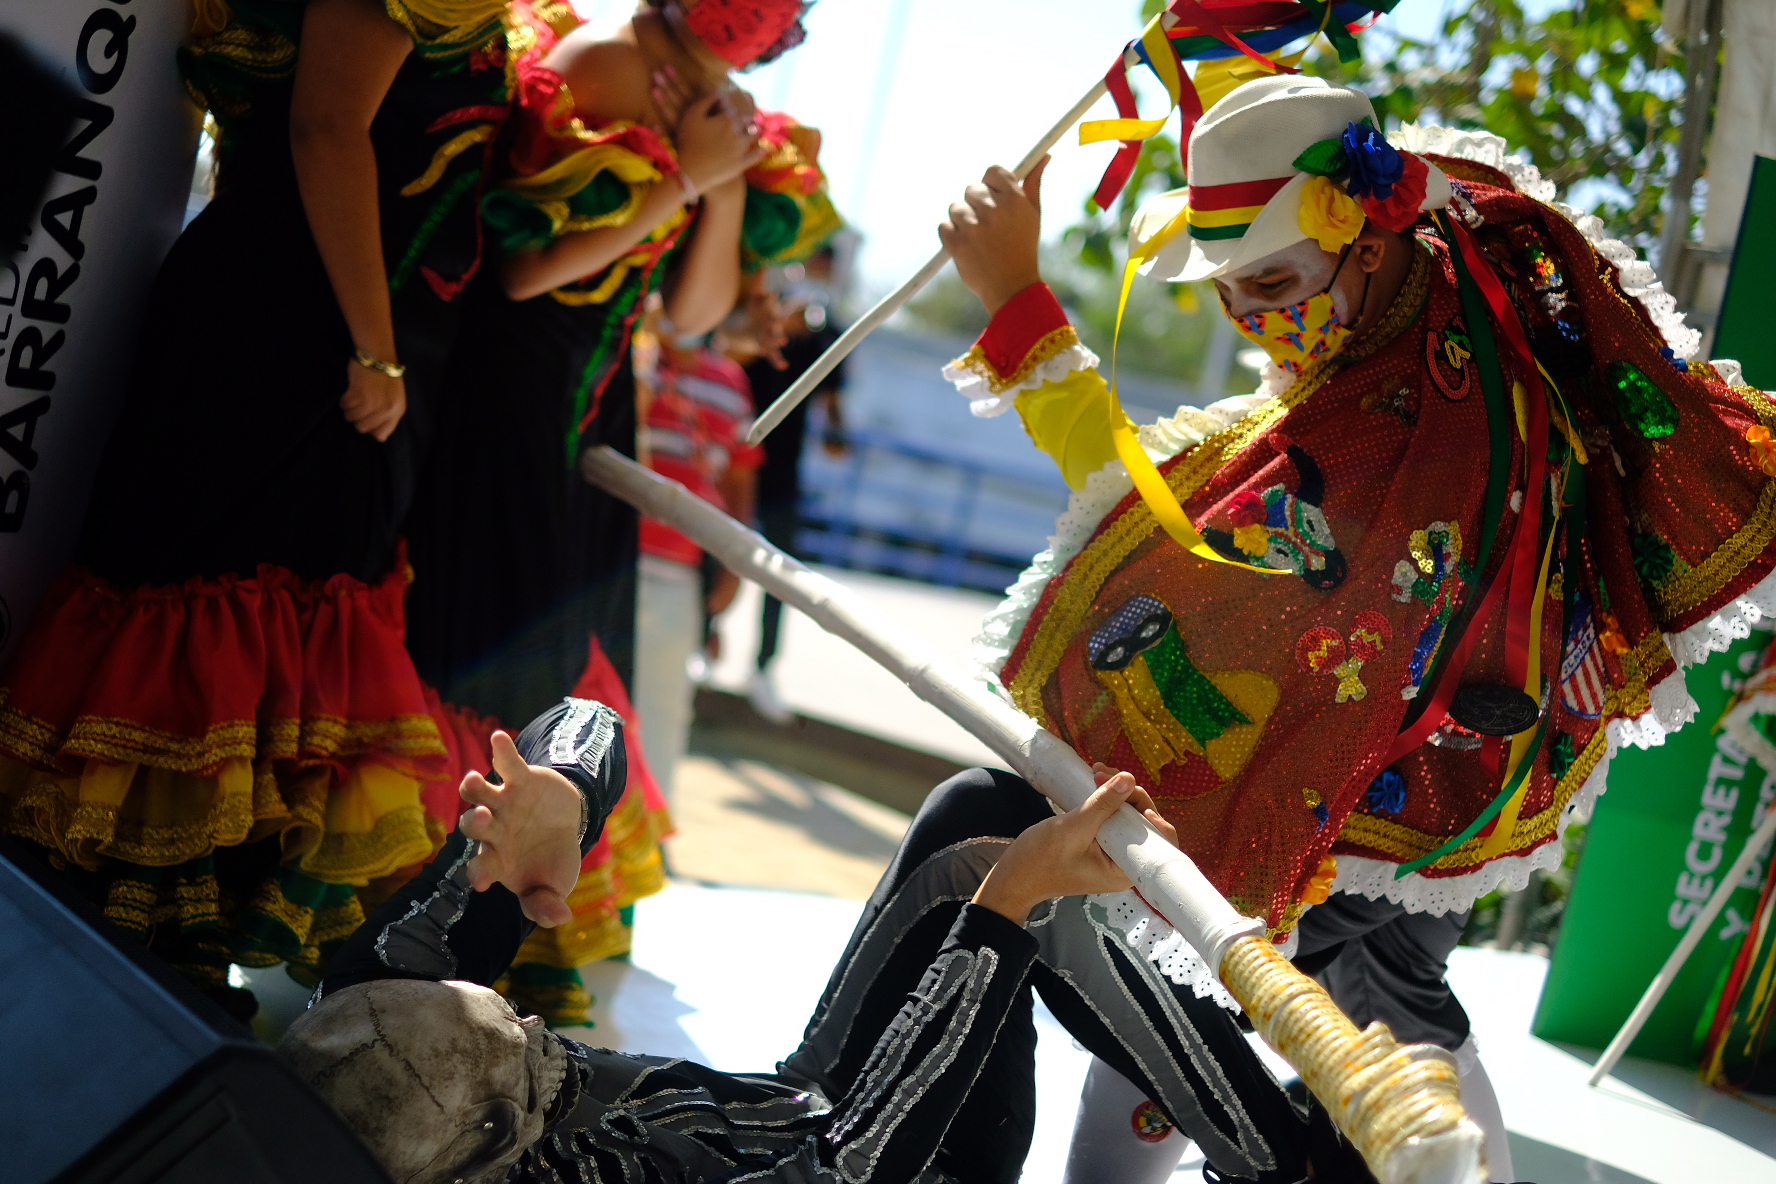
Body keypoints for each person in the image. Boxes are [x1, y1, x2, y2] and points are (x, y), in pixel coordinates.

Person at [937, 74, 1776, 1182]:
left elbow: (1175, 538)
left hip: (1392, 784)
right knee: (1360, 994)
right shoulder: (1438, 337)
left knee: (1215, 980)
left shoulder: (1398, 414)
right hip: (1446, 769)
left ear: (1368, 245)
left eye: (1271, 281)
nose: (1248, 317)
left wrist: (1019, 310)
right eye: (1228, 289)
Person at [0, 0, 533, 1003]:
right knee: (212, 618)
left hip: (347, 351)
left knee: (281, 650)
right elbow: (325, 128)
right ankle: (134, 967)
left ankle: (178, 965)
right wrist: (375, 348)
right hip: (290, 334)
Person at [280, 696, 1376, 1183]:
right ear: (491, 1141)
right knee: (1004, 867)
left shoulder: (375, 1025)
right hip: (892, 1153)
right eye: (520, 1051)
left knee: (979, 810)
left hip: (795, 1100)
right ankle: (1296, 1164)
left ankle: (1277, 1152)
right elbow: (854, 1168)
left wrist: (563, 792)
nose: (527, 1023)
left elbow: (580, 717)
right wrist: (1006, 906)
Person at [402, 0, 836, 729]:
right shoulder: (605, 61)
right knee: (486, 671)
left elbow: (692, 318)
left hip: (594, 420)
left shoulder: (728, 111)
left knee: (557, 682)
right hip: (503, 401)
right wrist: (684, 180)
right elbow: (521, 275)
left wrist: (724, 186)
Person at [632, 321, 763, 800]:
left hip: (680, 572)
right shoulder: (631, 353)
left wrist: (733, 565)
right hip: (605, 566)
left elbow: (739, 477)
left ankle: (650, 822)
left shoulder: (730, 381)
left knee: (662, 710)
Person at [735, 243, 851, 722]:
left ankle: (762, 668)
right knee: (713, 548)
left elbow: (833, 408)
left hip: (783, 470)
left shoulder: (830, 332)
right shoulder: (764, 312)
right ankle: (701, 642)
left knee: (781, 572)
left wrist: (838, 435)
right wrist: (779, 326)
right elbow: (729, 355)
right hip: (733, 455)